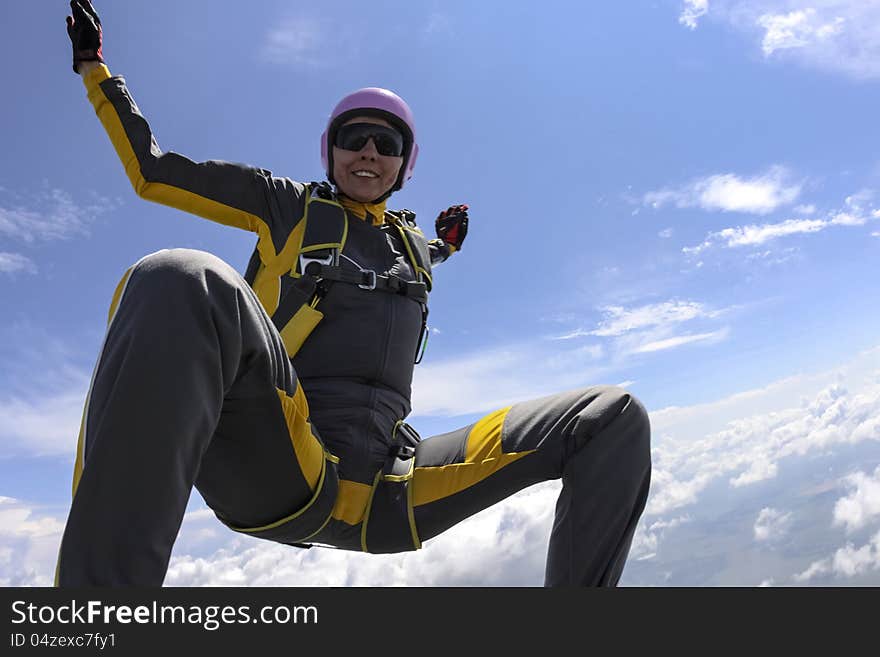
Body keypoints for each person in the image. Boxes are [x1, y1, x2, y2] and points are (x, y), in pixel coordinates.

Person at [58, 0, 652, 587]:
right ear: (331, 151)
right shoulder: (286, 207)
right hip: (288, 463)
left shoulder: (414, 245)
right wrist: (94, 70)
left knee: (611, 418)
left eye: (386, 143)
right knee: (180, 277)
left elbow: (427, 258)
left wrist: (448, 244)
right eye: (355, 137)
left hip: (393, 487)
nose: (369, 150)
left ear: (404, 164)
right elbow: (153, 170)